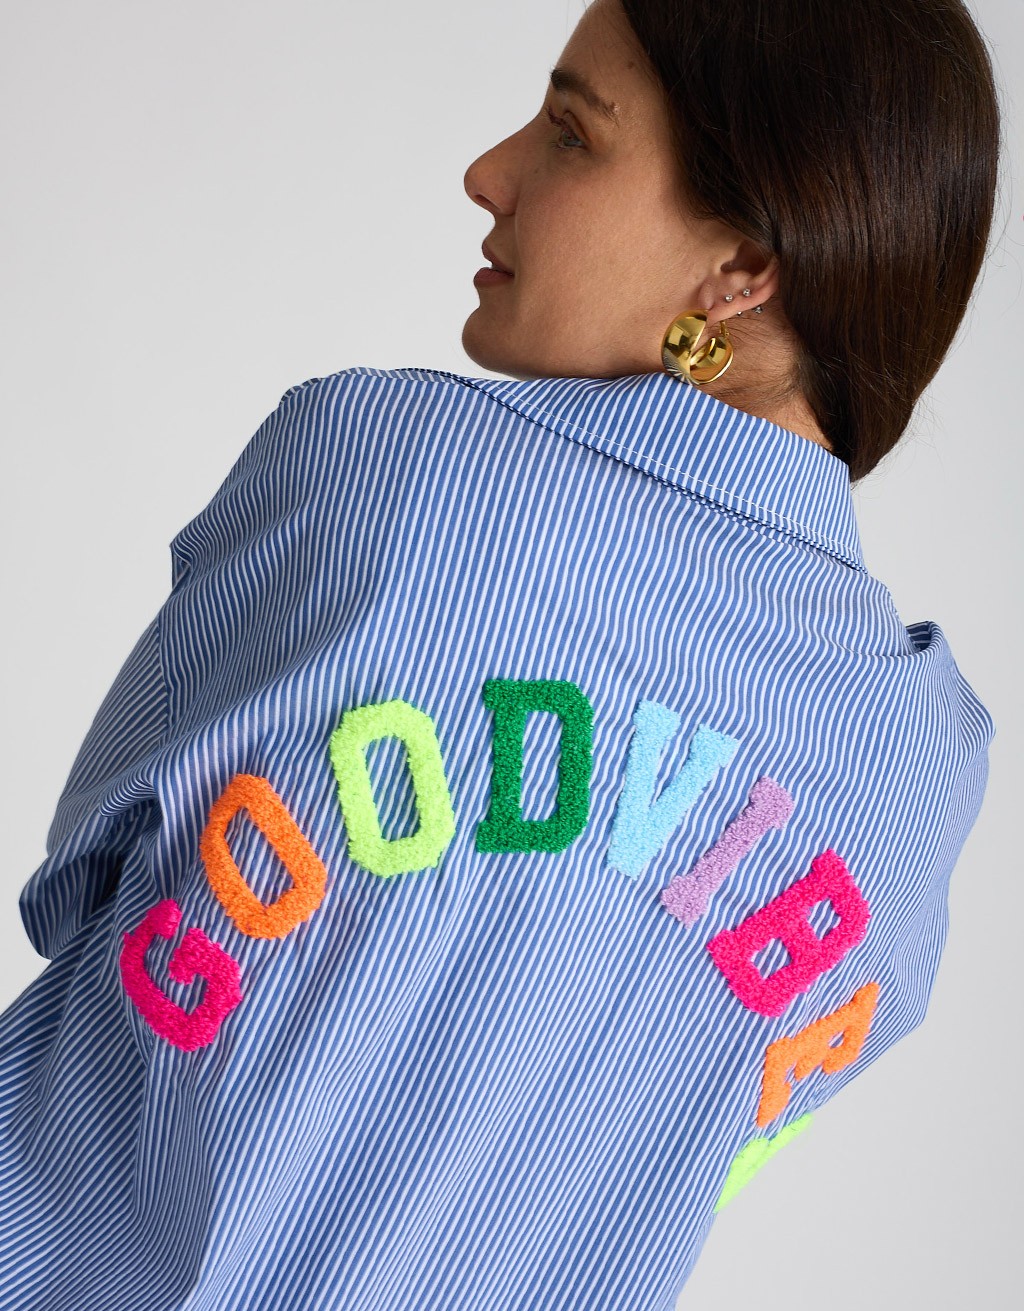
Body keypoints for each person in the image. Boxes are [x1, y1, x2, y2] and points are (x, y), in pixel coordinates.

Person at [0, 0, 1000, 1307]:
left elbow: (83, 885)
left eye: (573, 134)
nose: (491, 171)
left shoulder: (379, 475)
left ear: (745, 264)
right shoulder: (919, 771)